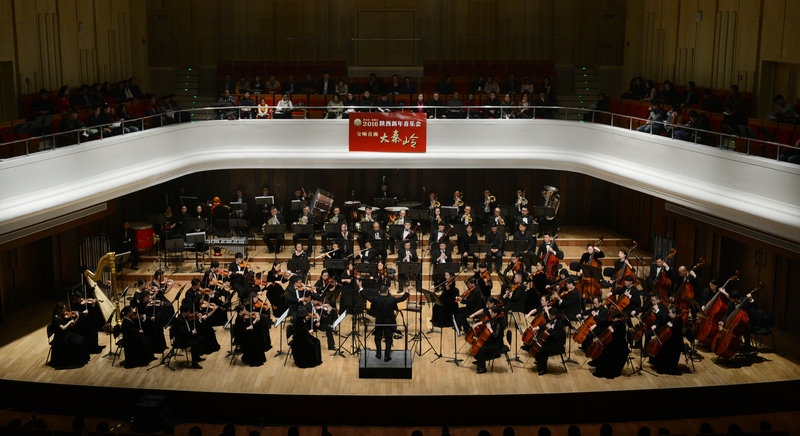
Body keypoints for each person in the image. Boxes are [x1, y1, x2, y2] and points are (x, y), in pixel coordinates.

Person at [359, 280, 409, 361]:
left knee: (377, 337)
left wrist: (360, 287)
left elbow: (365, 296)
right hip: (389, 322)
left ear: (379, 292)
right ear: (387, 292)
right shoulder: (392, 299)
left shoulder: (375, 299)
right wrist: (407, 290)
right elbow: (402, 298)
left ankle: (378, 354)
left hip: (379, 322)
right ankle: (387, 355)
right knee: (389, 338)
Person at [47, 303, 90, 369]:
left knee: (82, 339)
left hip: (67, 335)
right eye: (64, 309)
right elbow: (63, 328)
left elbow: (72, 325)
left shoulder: (63, 316)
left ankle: (83, 359)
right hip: (61, 339)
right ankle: (77, 361)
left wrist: (77, 317)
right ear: (59, 310)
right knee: (77, 343)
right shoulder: (55, 319)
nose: (66, 310)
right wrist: (69, 322)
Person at [290, 290, 323, 368]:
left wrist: (309, 329)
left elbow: (304, 326)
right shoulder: (299, 321)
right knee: (315, 343)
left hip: (304, 336)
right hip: (300, 339)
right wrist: (309, 331)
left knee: (317, 341)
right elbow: (301, 331)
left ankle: (316, 360)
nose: (307, 315)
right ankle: (312, 361)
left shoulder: (302, 318)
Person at [473, 305, 507, 374]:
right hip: (492, 341)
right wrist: (477, 324)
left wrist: (489, 328)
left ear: (495, 314)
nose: (490, 313)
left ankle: (483, 368)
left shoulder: (499, 323)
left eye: (491, 312)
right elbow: (487, 321)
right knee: (480, 345)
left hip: (497, 344)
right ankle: (480, 361)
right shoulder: (494, 318)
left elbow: (495, 336)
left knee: (481, 349)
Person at [171, 304, 207, 368]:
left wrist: (199, 319)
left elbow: (188, 328)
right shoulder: (179, 320)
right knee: (195, 344)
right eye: (188, 312)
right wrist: (192, 332)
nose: (190, 313)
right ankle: (194, 363)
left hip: (186, 336)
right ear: (184, 312)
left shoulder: (184, 317)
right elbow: (182, 333)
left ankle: (197, 357)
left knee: (200, 338)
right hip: (181, 340)